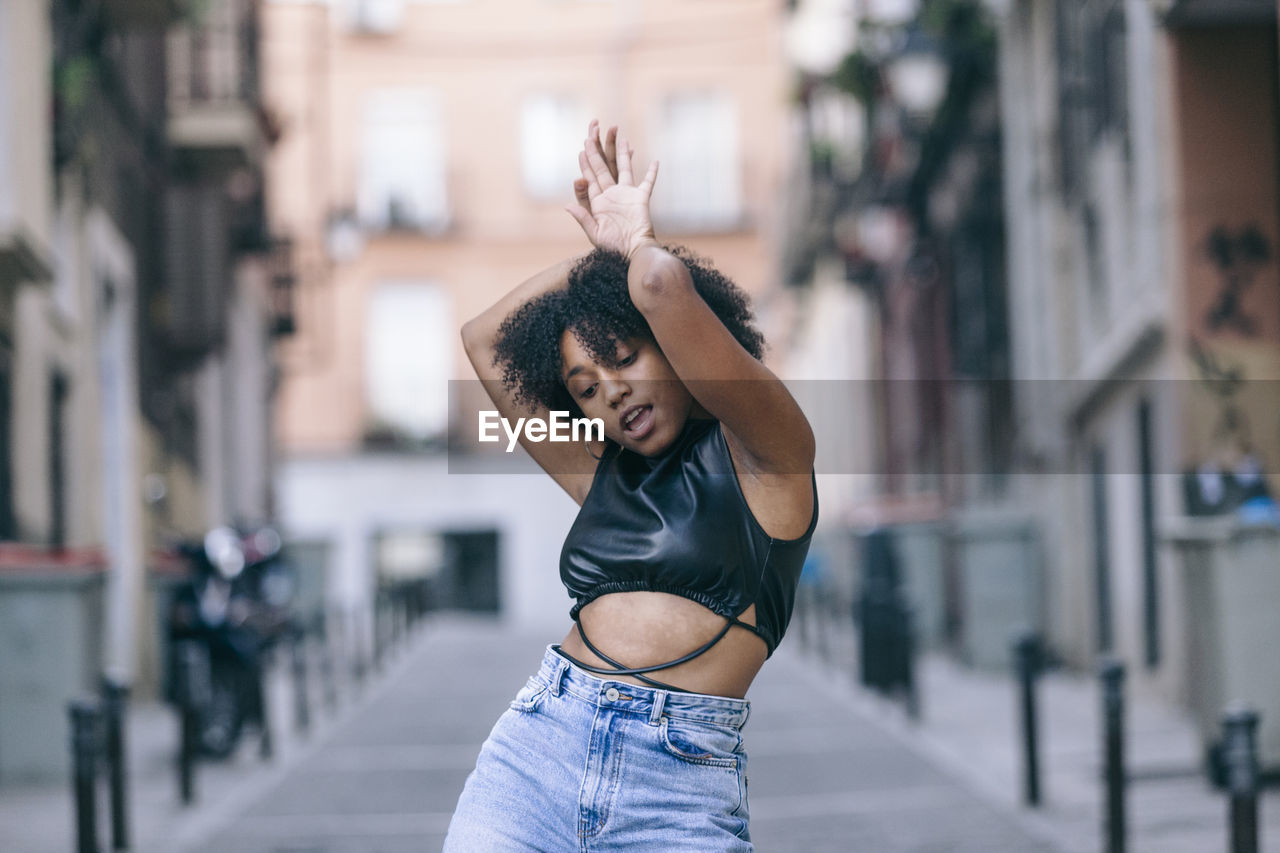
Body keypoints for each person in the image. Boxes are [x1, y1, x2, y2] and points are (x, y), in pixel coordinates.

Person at [444, 120, 818, 851]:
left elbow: (660, 282)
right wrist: (593, 264)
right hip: (537, 751)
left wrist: (630, 246)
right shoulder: (601, 471)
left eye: (622, 357)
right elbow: (485, 338)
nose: (608, 393)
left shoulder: (771, 456)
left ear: (671, 343)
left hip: (678, 787)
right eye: (583, 388)